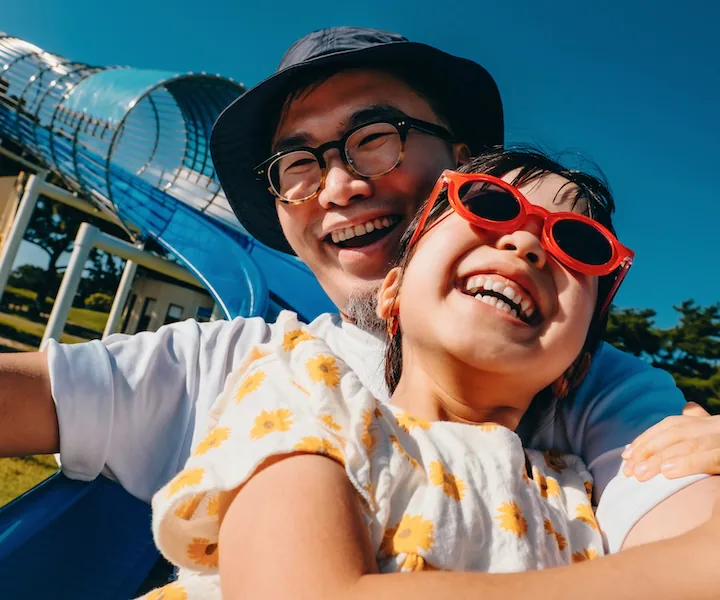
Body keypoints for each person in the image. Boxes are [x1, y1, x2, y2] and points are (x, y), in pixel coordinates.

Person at [0, 25, 718, 563]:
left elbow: (677, 512)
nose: (339, 187)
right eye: (297, 165)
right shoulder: (271, 377)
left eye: (376, 137)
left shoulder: (591, 394)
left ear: (463, 170)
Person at [138, 151, 718, 600]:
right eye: (489, 205)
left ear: (576, 369)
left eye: (578, 244)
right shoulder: (312, 391)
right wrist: (690, 567)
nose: (526, 243)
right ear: (392, 291)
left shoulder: (581, 496)